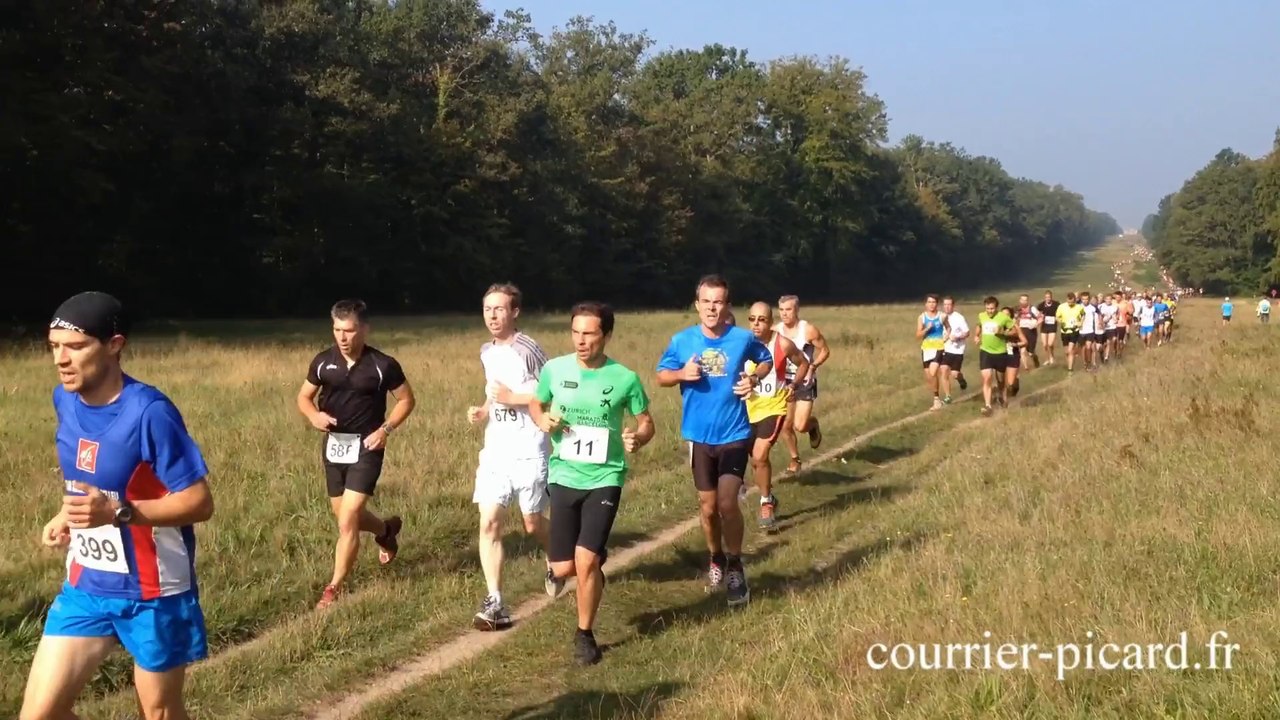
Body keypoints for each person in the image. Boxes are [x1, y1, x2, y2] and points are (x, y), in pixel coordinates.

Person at [23, 292, 215, 720]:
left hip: (153, 592)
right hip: (87, 586)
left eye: (75, 346)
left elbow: (199, 502)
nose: (61, 359)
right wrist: (67, 513)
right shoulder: (64, 401)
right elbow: (91, 475)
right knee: (40, 715)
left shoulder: (150, 412)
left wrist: (117, 514)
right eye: (54, 347)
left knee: (160, 712)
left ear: (114, 344)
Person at [529, 301, 654, 666]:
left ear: (607, 335)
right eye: (576, 332)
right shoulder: (554, 369)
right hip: (563, 475)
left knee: (584, 562)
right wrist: (542, 420)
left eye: (590, 333)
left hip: (605, 476)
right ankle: (592, 566)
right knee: (565, 567)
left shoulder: (624, 377)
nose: (581, 341)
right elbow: (538, 405)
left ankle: (584, 633)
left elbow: (647, 422)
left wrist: (638, 437)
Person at [657, 275, 774, 608]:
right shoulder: (682, 341)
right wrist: (681, 375)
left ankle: (736, 565)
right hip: (699, 437)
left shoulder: (741, 338)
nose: (712, 307)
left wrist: (752, 378)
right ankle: (716, 557)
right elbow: (661, 375)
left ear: (726, 306)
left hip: (735, 434)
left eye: (718, 301)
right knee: (707, 509)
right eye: (706, 301)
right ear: (697, 305)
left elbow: (765, 360)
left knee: (726, 503)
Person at [297, 299, 415, 610]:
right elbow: (304, 397)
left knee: (348, 520)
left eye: (348, 330)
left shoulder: (382, 365)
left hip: (367, 447)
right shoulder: (323, 362)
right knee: (345, 515)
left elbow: (406, 400)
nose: (342, 337)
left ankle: (333, 588)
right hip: (334, 446)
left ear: (364, 329)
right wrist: (313, 417)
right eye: (337, 330)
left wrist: (385, 430)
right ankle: (386, 530)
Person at [466, 283, 557, 631]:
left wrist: (511, 397)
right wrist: (485, 408)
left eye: (499, 309)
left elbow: (548, 394)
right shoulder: (486, 351)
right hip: (496, 449)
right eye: (487, 309)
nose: (492, 315)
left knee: (532, 522)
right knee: (488, 521)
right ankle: (495, 601)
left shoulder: (529, 348)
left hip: (530, 446)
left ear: (514, 312)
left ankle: (556, 558)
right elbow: (495, 389)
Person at [744, 302, 810, 532]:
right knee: (754, 459)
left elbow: (803, 362)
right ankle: (769, 496)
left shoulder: (781, 343)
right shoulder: (742, 343)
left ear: (771, 322)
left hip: (775, 406)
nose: (756, 324)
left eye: (761, 320)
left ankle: (764, 503)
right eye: (752, 319)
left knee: (760, 455)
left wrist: (794, 384)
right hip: (747, 409)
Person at [774, 295, 829, 473]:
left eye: (788, 310)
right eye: (781, 310)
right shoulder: (776, 331)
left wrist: (813, 366)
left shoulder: (808, 330)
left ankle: (812, 425)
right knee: (785, 426)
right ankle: (794, 459)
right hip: (785, 383)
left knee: (800, 425)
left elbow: (825, 351)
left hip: (805, 382)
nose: (784, 314)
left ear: (796, 310)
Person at [974, 296, 1016, 416]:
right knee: (987, 378)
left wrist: (1003, 332)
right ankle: (988, 406)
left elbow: (1014, 331)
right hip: (985, 351)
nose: (989, 311)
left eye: (992, 309)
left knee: (1000, 380)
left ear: (996, 308)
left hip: (1000, 352)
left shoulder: (1003, 317)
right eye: (987, 308)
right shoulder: (982, 316)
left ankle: (1001, 396)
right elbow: (979, 326)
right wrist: (977, 336)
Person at [917, 295, 947, 411]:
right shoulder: (922, 318)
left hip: (939, 347)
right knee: (929, 376)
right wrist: (926, 329)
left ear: (937, 304)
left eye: (934, 302)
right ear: (925, 304)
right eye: (929, 302)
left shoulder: (942, 316)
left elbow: (948, 327)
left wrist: (947, 335)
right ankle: (937, 399)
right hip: (926, 348)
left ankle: (936, 400)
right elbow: (918, 335)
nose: (931, 304)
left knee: (933, 372)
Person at [938, 296, 969, 405]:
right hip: (945, 349)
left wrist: (958, 337)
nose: (947, 307)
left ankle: (961, 379)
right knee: (944, 370)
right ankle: (948, 396)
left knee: (955, 373)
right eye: (945, 304)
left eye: (949, 304)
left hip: (957, 350)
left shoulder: (959, 318)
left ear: (953, 305)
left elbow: (967, 333)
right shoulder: (940, 317)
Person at [1055, 293, 1085, 372]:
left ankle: (1070, 369)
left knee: (1070, 350)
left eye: (1072, 302)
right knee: (1066, 352)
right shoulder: (1061, 307)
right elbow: (1057, 317)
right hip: (1064, 331)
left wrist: (1081, 323)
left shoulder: (1079, 307)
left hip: (1074, 331)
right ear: (1066, 299)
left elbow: (1083, 315)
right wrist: (1060, 321)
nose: (1070, 304)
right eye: (1069, 302)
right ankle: (1070, 365)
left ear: (1075, 300)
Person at [1014, 294, 1041, 370]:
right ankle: (1026, 368)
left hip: (1031, 331)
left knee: (1031, 353)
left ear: (1028, 301)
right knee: (1022, 351)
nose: (1023, 302)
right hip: (1022, 331)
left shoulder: (1032, 309)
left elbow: (1041, 317)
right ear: (1020, 300)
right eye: (1022, 300)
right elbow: (1013, 319)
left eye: (1025, 300)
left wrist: (1036, 324)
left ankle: (1035, 358)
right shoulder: (1017, 309)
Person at [1035, 291, 1060, 365]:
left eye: (1049, 297)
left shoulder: (1056, 304)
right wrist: (1040, 317)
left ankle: (1052, 356)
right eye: (1046, 297)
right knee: (1045, 344)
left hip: (1052, 325)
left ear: (1051, 297)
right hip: (1044, 326)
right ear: (1044, 297)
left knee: (1050, 343)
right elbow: (1037, 314)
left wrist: (1057, 317)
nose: (1048, 299)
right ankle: (1047, 358)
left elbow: (1060, 312)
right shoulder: (1041, 305)